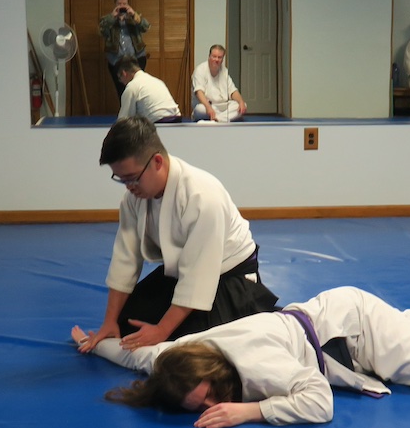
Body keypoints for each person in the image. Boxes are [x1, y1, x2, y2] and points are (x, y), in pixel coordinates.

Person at [71, 286, 410, 428]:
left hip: (355, 331)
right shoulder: (179, 356)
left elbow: (319, 401)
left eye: (212, 395)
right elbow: (138, 358)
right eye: (199, 404)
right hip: (332, 319)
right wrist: (96, 340)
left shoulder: (253, 369)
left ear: (217, 374)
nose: (210, 405)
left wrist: (252, 410)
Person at [77, 116, 278, 354]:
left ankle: (262, 319)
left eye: (132, 178)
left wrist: (161, 331)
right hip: (184, 273)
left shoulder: (202, 197)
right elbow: (125, 259)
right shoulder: (133, 199)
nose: (129, 187)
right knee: (127, 323)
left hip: (229, 279)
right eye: (121, 179)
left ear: (157, 162)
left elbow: (199, 277)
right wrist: (109, 322)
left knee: (188, 349)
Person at [99, 0, 151, 98]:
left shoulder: (135, 17)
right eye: (119, 4)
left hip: (136, 59)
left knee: (137, 87)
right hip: (116, 60)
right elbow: (101, 31)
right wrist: (112, 17)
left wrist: (133, 15)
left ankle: (137, 113)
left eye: (124, 4)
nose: (122, 6)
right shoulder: (108, 19)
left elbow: (146, 27)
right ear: (115, 5)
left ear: (128, 5)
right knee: (121, 90)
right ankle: (125, 112)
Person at [115, 57, 182, 123]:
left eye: (120, 78)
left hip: (158, 122)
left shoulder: (132, 86)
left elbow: (123, 121)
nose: (122, 82)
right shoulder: (157, 81)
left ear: (124, 73)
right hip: (177, 119)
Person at [191, 45, 247, 122]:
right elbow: (199, 92)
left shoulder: (224, 71)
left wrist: (241, 101)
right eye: (214, 56)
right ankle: (225, 118)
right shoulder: (200, 70)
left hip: (223, 106)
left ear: (222, 59)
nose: (216, 60)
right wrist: (208, 107)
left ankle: (218, 119)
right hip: (207, 106)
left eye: (219, 57)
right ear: (209, 56)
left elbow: (233, 91)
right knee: (200, 109)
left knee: (241, 105)